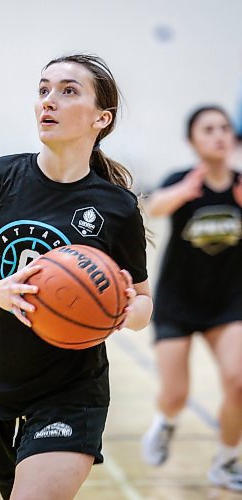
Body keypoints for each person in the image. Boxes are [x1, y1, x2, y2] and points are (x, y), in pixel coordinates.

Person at [0, 53, 152, 500]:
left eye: (68, 91)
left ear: (101, 118)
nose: (49, 101)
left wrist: (125, 311)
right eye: (43, 89)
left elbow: (143, 305)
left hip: (71, 388)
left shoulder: (116, 208)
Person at [141, 105, 242, 492]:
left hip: (228, 303)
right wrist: (182, 193)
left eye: (223, 128)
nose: (218, 135)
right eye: (208, 129)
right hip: (178, 302)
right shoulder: (182, 180)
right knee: (175, 394)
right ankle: (165, 423)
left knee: (237, 382)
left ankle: (227, 461)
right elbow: (153, 207)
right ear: (192, 141)